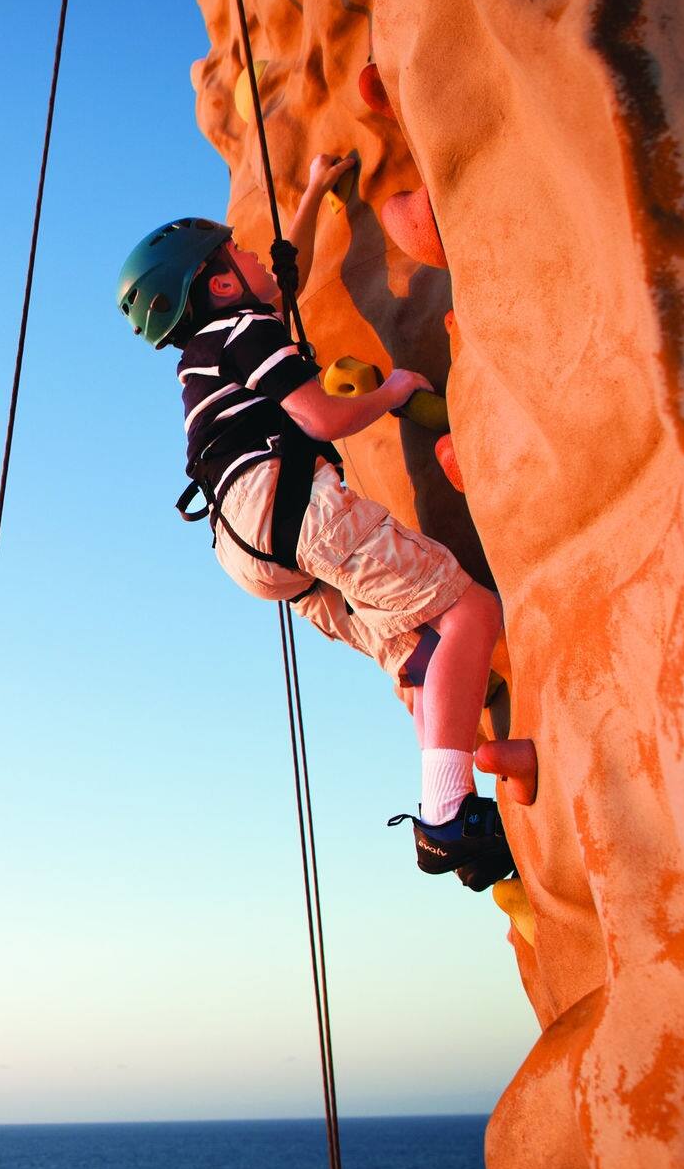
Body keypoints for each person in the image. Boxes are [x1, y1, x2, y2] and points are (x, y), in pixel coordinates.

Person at [114, 154, 513, 890]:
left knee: (418, 654)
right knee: (468, 613)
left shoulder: (209, 348)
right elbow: (322, 413)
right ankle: (446, 817)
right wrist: (391, 390)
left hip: (248, 547)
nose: (250, 256)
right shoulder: (241, 332)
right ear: (219, 283)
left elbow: (275, 272)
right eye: (233, 253)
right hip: (286, 503)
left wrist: (309, 192)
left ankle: (455, 807)